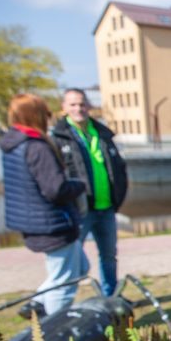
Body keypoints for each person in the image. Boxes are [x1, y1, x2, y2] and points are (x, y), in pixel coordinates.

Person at [0, 94, 87, 316]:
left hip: (35, 221)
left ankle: (38, 303)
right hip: (53, 223)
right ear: (36, 116)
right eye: (45, 113)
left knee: (79, 267)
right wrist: (78, 186)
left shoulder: (15, 144)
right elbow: (55, 189)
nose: (48, 118)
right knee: (64, 282)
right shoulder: (37, 147)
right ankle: (54, 330)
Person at [51, 88, 129, 298]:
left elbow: (119, 168)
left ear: (89, 106)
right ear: (64, 107)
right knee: (74, 258)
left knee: (109, 256)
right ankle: (65, 299)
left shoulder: (102, 134)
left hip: (106, 207)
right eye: (73, 104)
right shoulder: (59, 138)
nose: (79, 108)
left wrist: (117, 198)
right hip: (79, 211)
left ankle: (110, 296)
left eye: (82, 104)